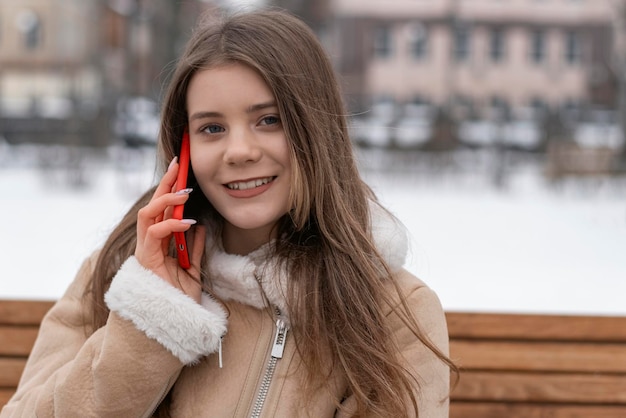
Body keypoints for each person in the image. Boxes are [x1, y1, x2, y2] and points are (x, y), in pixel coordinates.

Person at [1, 9, 456, 418]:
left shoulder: (392, 310)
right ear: (184, 149)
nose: (239, 151)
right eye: (212, 128)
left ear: (317, 132)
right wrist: (150, 320)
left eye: (269, 120)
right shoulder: (116, 274)